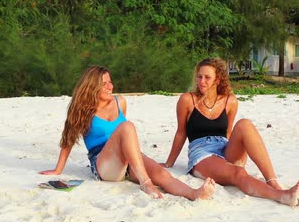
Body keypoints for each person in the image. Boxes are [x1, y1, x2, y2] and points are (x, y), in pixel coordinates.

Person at [39, 66, 215, 200]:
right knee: (126, 127)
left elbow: (125, 140)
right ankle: (145, 184)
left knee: (161, 174)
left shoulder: (119, 102)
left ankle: (194, 194)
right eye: (104, 84)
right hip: (104, 164)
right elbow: (68, 139)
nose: (110, 86)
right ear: (92, 87)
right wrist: (58, 169)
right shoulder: (82, 109)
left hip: (128, 158)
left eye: (110, 81)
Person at [161, 57, 299, 206]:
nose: (202, 81)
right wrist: (169, 163)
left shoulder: (230, 101)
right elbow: (181, 133)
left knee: (244, 124)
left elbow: (228, 133)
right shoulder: (187, 100)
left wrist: (232, 155)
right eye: (199, 76)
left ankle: (272, 182)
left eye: (207, 77)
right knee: (239, 173)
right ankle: (282, 196)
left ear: (217, 80)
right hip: (202, 153)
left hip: (224, 148)